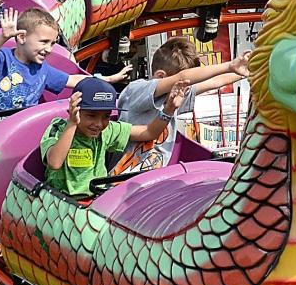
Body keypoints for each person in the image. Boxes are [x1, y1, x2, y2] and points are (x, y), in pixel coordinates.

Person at [0, 8, 129, 131]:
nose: (49, 49)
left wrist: (108, 79)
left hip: (20, 127)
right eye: (44, 42)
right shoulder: (4, 58)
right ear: (21, 37)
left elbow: (73, 80)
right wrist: (3, 37)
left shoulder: (43, 69)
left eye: (52, 43)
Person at [113, 38, 250, 173]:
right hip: (120, 179)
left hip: (153, 178)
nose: (187, 89)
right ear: (161, 76)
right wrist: (229, 66)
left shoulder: (178, 95)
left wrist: (248, 70)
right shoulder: (137, 90)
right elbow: (181, 77)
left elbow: (216, 81)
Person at [41, 77, 189, 198]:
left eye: (105, 116)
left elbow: (149, 132)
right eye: (91, 115)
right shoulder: (59, 128)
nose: (98, 124)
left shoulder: (108, 130)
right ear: (75, 110)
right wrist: (72, 123)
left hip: (97, 199)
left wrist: (169, 109)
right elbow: (54, 162)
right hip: (61, 200)